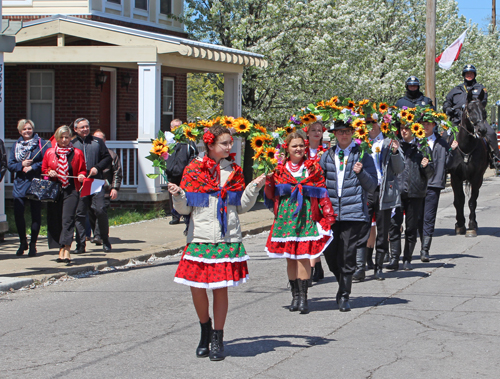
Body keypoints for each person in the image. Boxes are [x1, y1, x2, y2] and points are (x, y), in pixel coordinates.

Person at [167, 124, 265, 361]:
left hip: (226, 237)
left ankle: (217, 338)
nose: (229, 147)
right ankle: (205, 329)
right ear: (209, 144)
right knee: (197, 287)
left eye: (230, 143)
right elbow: (186, 208)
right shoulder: (193, 170)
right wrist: (178, 195)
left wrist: (254, 188)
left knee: (220, 288)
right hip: (199, 236)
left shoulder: (235, 171)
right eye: (224, 143)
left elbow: (240, 206)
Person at [265, 132, 335, 314]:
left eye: (301, 146)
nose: (298, 149)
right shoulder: (279, 169)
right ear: (287, 148)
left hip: (306, 215)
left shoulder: (312, 168)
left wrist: (328, 215)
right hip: (286, 216)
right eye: (294, 146)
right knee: (290, 258)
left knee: (304, 256)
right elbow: (272, 194)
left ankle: (304, 297)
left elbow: (322, 191)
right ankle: (295, 295)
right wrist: (268, 181)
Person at [320, 120, 378, 312]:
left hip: (353, 213)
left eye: (347, 131)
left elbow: (372, 186)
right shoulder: (327, 156)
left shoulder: (362, 155)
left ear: (353, 133)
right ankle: (342, 284)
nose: (344, 135)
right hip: (330, 213)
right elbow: (319, 182)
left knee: (347, 254)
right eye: (340, 132)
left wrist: (361, 173)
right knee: (330, 254)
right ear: (335, 134)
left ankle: (344, 294)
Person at [355, 116, 405, 281]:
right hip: (365, 190)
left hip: (383, 191)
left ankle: (378, 268)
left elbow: (399, 169)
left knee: (383, 231)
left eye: (373, 122)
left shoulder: (389, 141)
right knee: (363, 228)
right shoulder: (359, 142)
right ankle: (360, 267)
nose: (370, 126)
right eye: (367, 123)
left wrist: (396, 152)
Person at [388, 123, 434, 271]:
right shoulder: (395, 145)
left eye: (407, 128)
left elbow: (430, 173)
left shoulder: (422, 147)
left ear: (414, 129)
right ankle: (394, 258)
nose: (404, 131)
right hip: (397, 193)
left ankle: (407, 258)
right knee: (394, 225)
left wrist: (426, 166)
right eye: (401, 128)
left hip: (415, 192)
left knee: (411, 227)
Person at [42, 125, 86, 264]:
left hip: (71, 189)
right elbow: (43, 170)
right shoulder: (49, 152)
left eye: (67, 137)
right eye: (62, 137)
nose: (64, 140)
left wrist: (81, 175)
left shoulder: (77, 153)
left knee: (67, 219)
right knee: (56, 219)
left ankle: (66, 248)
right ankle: (60, 247)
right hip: (55, 189)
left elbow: (83, 170)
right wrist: (49, 172)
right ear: (57, 138)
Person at [443, 64, 500, 168]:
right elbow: (447, 102)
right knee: (444, 136)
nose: (469, 75)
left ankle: (495, 158)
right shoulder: (456, 90)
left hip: (476, 119)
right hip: (457, 120)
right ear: (464, 75)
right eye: (467, 73)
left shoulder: (480, 88)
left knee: (491, 133)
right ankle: (443, 163)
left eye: (471, 73)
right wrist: (448, 109)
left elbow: (483, 101)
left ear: (474, 75)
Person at [418, 113, 458, 262]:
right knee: (418, 218)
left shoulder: (442, 143)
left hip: (434, 184)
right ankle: (422, 244)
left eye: (429, 123)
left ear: (434, 125)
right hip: (418, 184)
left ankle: (425, 249)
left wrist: (453, 151)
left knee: (429, 217)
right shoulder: (417, 141)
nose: (426, 125)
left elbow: (448, 163)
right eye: (423, 123)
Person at [8, 119, 50, 256]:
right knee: (19, 214)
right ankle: (22, 242)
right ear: (20, 131)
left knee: (35, 214)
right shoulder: (16, 145)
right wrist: (21, 165)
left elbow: (47, 160)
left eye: (29, 128)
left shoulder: (41, 143)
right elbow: (10, 165)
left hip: (35, 181)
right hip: (20, 183)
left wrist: (33, 166)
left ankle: (33, 245)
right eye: (24, 129)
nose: (27, 131)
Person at [71, 118, 112, 253]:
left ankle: (105, 240)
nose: (85, 129)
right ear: (75, 129)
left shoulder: (97, 142)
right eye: (82, 127)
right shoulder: (72, 144)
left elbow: (107, 158)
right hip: (80, 183)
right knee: (80, 213)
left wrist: (97, 168)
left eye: (87, 127)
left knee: (100, 209)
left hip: (95, 181)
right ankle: (81, 244)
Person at [88, 129, 122, 245]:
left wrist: (114, 188)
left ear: (104, 140)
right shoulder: (90, 153)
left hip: (105, 187)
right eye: (95, 139)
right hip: (91, 185)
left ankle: (99, 236)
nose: (97, 141)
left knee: (101, 210)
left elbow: (117, 172)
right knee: (91, 211)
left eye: (100, 139)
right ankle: (97, 234)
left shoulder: (111, 155)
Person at [305, 121, 328, 283]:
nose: (316, 133)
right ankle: (315, 266)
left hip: (321, 195)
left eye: (319, 130)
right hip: (304, 195)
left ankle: (314, 266)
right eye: (313, 130)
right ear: (307, 132)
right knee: (307, 230)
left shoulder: (326, 151)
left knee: (317, 231)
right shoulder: (301, 150)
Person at [166, 119, 198, 225]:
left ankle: (186, 215)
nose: (177, 129)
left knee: (185, 193)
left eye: (179, 126)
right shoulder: (168, 141)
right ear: (171, 128)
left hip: (184, 172)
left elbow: (194, 154)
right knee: (173, 193)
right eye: (175, 127)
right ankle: (175, 216)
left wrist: (188, 168)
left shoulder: (187, 141)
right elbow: (161, 154)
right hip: (171, 172)